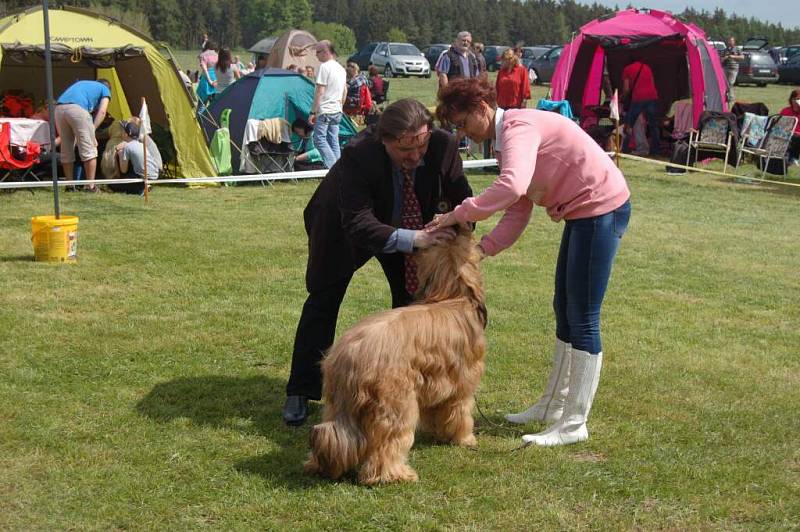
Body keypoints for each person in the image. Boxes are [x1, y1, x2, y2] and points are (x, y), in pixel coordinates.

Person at [430, 78, 631, 447]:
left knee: (583, 316)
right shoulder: (509, 141)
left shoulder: (518, 129)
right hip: (581, 214)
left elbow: (509, 187)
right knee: (565, 308)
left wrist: (457, 214)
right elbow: (517, 211)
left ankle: (574, 423)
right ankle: (553, 407)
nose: (463, 134)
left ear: (481, 108)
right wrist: (482, 249)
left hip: (602, 209)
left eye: (462, 123)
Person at [281, 99, 474, 426]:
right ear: (384, 141)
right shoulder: (359, 152)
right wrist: (413, 239)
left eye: (421, 145)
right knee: (323, 300)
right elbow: (357, 220)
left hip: (414, 230)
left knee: (412, 306)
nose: (415, 157)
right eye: (404, 150)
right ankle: (300, 389)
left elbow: (462, 200)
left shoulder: (444, 145)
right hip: (344, 228)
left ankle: (403, 386)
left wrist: (453, 225)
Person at [54, 79, 111, 192]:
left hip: (59, 109)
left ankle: (70, 185)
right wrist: (93, 129)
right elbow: (102, 111)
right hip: (77, 109)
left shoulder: (83, 84)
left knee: (66, 148)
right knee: (89, 149)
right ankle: (90, 186)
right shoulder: (105, 89)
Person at [309, 40, 347, 169]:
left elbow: (320, 92)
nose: (316, 55)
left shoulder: (324, 67)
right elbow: (344, 91)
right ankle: (339, 168)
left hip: (325, 110)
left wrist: (313, 112)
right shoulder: (341, 68)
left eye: (318, 52)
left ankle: (332, 169)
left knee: (319, 140)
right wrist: (340, 105)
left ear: (326, 52)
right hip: (337, 110)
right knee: (334, 141)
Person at [111, 117, 162, 194]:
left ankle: (140, 188)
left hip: (152, 170)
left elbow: (123, 169)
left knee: (113, 185)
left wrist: (120, 152)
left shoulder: (140, 139)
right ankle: (141, 185)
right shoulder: (140, 141)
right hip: (155, 171)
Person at [621, 57, 660, 156]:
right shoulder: (646, 67)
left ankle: (625, 148)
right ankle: (655, 150)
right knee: (653, 125)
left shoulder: (627, 69)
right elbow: (653, 83)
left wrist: (623, 98)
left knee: (629, 124)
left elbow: (626, 88)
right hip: (652, 97)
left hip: (638, 98)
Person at [779, 88, 800, 165]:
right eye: (794, 99)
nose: (796, 101)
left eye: (798, 99)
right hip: (785, 134)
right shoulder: (785, 111)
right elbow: (779, 126)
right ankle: (791, 158)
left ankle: (792, 158)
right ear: (791, 100)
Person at [721, 37, 744, 104]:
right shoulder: (726, 50)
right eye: (729, 41)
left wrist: (733, 56)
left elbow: (742, 57)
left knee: (731, 83)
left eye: (731, 41)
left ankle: (731, 98)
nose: (730, 42)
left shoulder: (737, 49)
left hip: (734, 68)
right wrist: (724, 58)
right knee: (726, 83)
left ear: (734, 42)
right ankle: (727, 97)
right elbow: (721, 59)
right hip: (726, 67)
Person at [196, 40, 218, 106]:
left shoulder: (203, 55)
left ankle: (200, 116)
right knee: (214, 105)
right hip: (216, 81)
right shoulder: (217, 55)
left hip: (206, 80)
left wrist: (210, 81)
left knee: (201, 106)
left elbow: (205, 70)